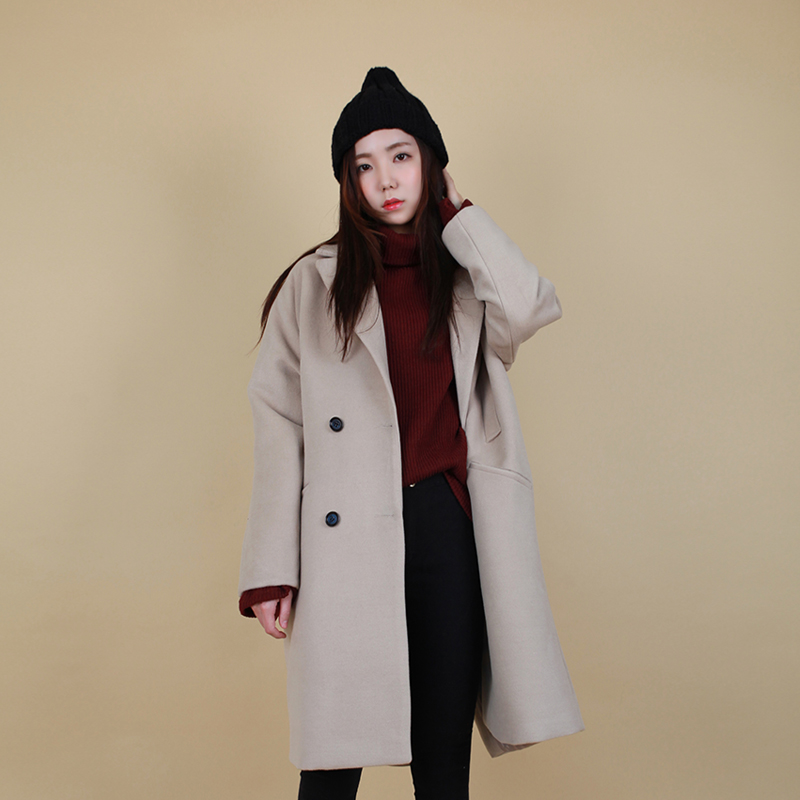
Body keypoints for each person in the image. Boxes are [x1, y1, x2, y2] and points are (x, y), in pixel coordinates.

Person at [238, 67, 584, 800]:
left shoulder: (466, 279)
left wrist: (460, 215)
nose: (386, 180)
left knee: (442, 767)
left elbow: (529, 306)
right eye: (364, 165)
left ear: (431, 162)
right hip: (343, 534)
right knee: (330, 767)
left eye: (402, 156)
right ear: (348, 182)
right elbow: (279, 424)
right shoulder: (312, 283)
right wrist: (272, 568)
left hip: (444, 528)